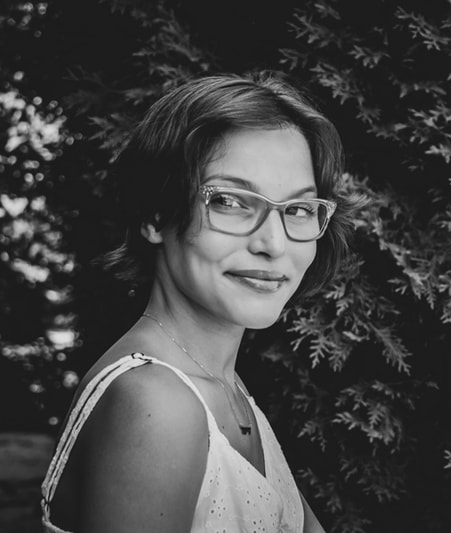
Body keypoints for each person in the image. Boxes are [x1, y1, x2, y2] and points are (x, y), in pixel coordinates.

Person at [40, 73, 358, 533]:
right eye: (230, 201)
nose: (273, 242)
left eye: (299, 209)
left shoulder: (225, 388)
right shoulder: (156, 403)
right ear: (155, 214)